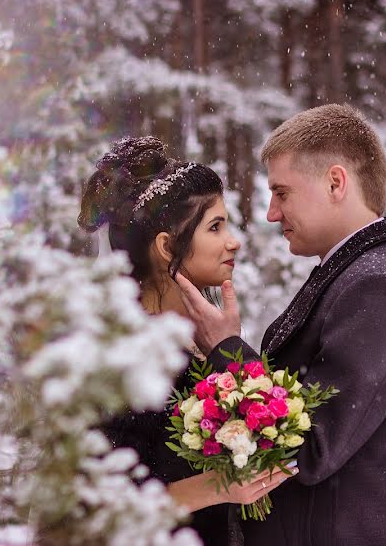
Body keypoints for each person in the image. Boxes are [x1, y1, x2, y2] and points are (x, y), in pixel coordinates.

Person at [175, 105, 386, 545]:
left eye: (282, 192)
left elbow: (312, 445)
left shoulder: (380, 285)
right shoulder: (358, 271)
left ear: (336, 182)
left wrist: (226, 349)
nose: (270, 213)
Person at [77, 136, 295, 545]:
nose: (234, 241)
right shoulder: (124, 359)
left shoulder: (198, 343)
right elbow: (96, 506)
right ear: (167, 247)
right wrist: (218, 486)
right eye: (215, 227)